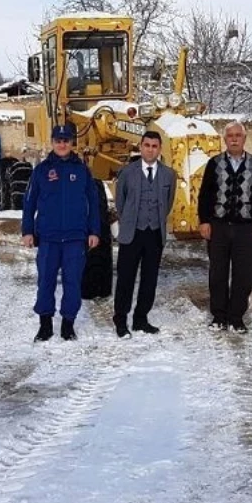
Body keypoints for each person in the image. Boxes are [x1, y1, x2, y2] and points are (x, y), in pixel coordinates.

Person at [22, 124, 101, 342]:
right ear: (53, 142)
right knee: (45, 282)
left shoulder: (82, 170)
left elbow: (93, 202)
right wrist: (28, 230)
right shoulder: (42, 170)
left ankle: (68, 324)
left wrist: (94, 230)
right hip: (48, 238)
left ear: (72, 143)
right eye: (58, 140)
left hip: (75, 238)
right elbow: (29, 202)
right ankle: (45, 325)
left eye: (66, 140)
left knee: (72, 282)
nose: (62, 144)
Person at [197, 121, 252, 334]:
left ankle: (236, 317)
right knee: (217, 273)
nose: (234, 139)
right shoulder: (215, 163)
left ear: (244, 139)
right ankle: (218, 316)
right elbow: (205, 195)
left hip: (245, 228)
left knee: (243, 275)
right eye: (230, 136)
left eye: (238, 135)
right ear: (225, 139)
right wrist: (204, 221)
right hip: (218, 227)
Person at [112, 130, 178, 338]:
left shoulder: (169, 174)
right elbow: (120, 203)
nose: (150, 149)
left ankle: (141, 319)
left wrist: (154, 221)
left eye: (154, 146)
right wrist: (132, 220)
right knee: (125, 279)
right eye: (147, 145)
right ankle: (121, 320)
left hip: (154, 234)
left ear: (159, 149)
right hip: (132, 233)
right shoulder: (126, 173)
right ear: (140, 147)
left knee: (150, 279)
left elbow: (167, 203)